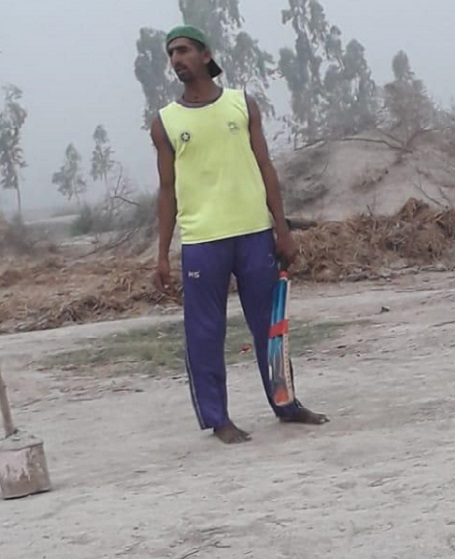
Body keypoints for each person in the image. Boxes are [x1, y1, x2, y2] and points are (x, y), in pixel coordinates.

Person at [151, 25, 328, 444]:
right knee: (205, 333)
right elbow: (166, 189)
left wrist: (281, 229)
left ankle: (285, 403)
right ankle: (218, 419)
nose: (177, 60)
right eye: (171, 53)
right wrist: (162, 253)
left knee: (270, 327)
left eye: (184, 51)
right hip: (201, 242)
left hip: (253, 233)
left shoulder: (240, 104)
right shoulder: (165, 123)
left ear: (205, 54)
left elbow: (266, 167)